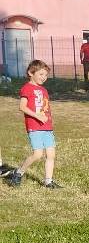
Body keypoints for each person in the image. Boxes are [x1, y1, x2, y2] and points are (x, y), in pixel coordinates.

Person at [5, 60, 60, 190]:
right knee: (37, 154)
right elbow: (22, 107)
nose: (44, 78)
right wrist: (37, 116)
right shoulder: (27, 88)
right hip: (34, 127)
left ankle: (48, 181)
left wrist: (47, 120)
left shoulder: (44, 90)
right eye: (41, 74)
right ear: (31, 73)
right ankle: (18, 172)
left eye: (45, 75)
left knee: (51, 154)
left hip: (47, 127)